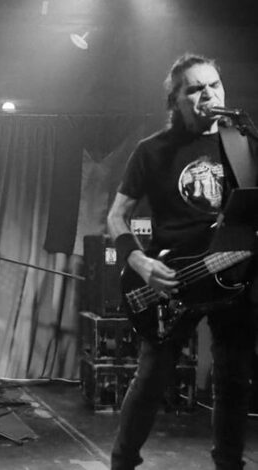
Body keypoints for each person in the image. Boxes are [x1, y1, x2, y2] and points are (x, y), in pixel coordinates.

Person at [107, 54, 258, 469]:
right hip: (173, 278)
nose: (208, 94)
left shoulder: (243, 143)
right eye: (195, 88)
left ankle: (229, 464)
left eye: (214, 85)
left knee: (233, 381)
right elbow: (116, 216)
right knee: (151, 380)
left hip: (233, 275)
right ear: (175, 100)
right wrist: (139, 262)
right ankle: (122, 462)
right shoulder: (152, 150)